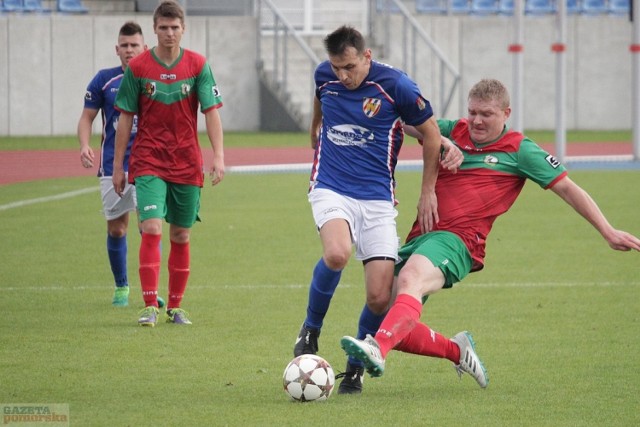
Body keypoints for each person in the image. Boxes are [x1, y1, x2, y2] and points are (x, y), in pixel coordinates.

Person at [341, 78, 640, 389]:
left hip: (460, 242)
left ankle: (376, 351)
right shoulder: (453, 130)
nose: (476, 121)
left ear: (505, 113)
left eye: (486, 114)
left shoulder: (520, 150)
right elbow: (404, 122)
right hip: (423, 238)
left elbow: (567, 188)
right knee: (389, 320)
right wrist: (437, 138)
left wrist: (608, 231)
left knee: (409, 279)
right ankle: (456, 350)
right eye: (472, 112)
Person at [292, 25, 461, 395]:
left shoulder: (397, 86)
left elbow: (430, 133)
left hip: (377, 199)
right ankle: (310, 329)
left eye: (349, 67)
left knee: (380, 296)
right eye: (337, 67)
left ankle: (355, 368)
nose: (342, 75)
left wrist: (427, 192)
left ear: (366, 56)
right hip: (331, 186)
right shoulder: (325, 75)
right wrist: (316, 126)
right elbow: (322, 99)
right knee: (337, 254)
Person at [112, 0, 225, 327]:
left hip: (186, 162)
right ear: (155, 29)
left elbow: (211, 112)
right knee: (151, 228)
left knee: (181, 236)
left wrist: (217, 155)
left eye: (175, 27)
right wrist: (119, 166)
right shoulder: (138, 69)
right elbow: (125, 118)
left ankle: (176, 307)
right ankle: (150, 305)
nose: (169, 33)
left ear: (183, 28)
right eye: (163, 27)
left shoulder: (198, 65)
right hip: (148, 160)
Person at [77, 21, 160, 307]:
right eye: (124, 46)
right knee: (117, 229)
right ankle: (122, 287)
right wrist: (85, 145)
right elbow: (87, 117)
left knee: (149, 228)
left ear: (144, 48)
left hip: (148, 165)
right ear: (117, 49)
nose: (129, 50)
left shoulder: (155, 80)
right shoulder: (104, 80)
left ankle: (151, 291)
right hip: (113, 165)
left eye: (134, 45)